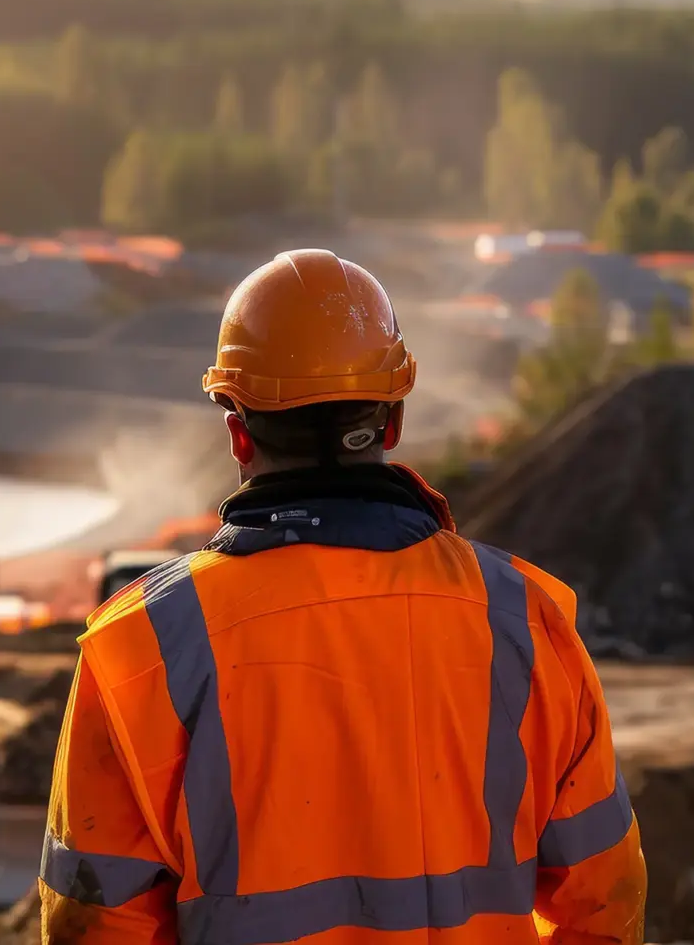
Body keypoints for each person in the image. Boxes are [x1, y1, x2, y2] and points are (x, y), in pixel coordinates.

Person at [40, 249, 646, 945]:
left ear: (239, 432)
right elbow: (605, 902)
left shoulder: (141, 648)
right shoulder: (528, 621)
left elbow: (92, 926)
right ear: (391, 423)